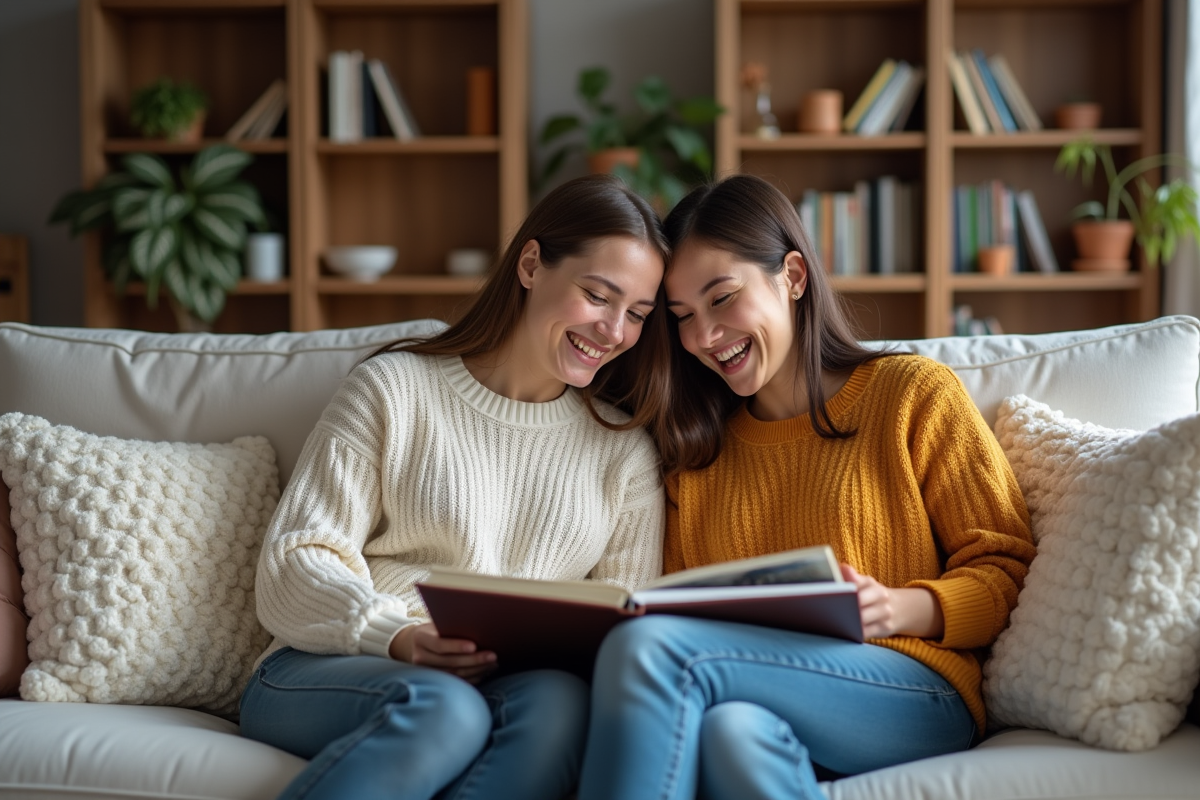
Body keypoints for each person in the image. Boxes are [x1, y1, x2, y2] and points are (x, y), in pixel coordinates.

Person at [577, 174, 1037, 800]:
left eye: (722, 298)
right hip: (753, 695)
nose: (703, 337)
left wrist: (899, 607)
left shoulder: (912, 395)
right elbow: (682, 605)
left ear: (792, 276)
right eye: (682, 316)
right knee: (733, 734)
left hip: (913, 689)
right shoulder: (695, 452)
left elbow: (1006, 567)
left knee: (652, 649)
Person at [239, 174, 671, 800]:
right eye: (598, 296)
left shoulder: (623, 453)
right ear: (530, 265)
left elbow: (627, 627)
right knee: (446, 709)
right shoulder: (395, 389)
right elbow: (292, 563)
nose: (614, 331)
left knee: (563, 710)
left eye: (637, 314)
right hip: (330, 664)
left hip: (506, 680)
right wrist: (398, 635)